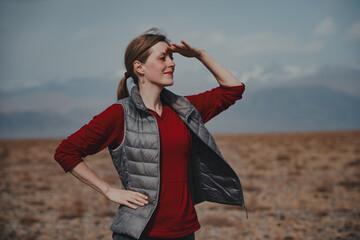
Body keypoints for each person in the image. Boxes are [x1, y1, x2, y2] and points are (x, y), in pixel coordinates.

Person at [54, 28, 247, 240]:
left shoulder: (185, 109)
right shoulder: (120, 114)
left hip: (184, 231)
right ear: (140, 67)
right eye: (163, 58)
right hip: (139, 233)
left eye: (172, 58)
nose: (172, 63)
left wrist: (200, 55)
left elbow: (233, 89)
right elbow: (66, 151)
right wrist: (108, 190)